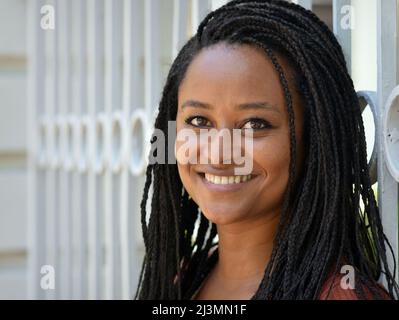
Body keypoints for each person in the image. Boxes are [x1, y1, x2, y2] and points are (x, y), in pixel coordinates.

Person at [135, 0, 399, 300]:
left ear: (314, 137)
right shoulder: (185, 278)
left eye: (255, 124)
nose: (219, 154)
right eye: (199, 121)